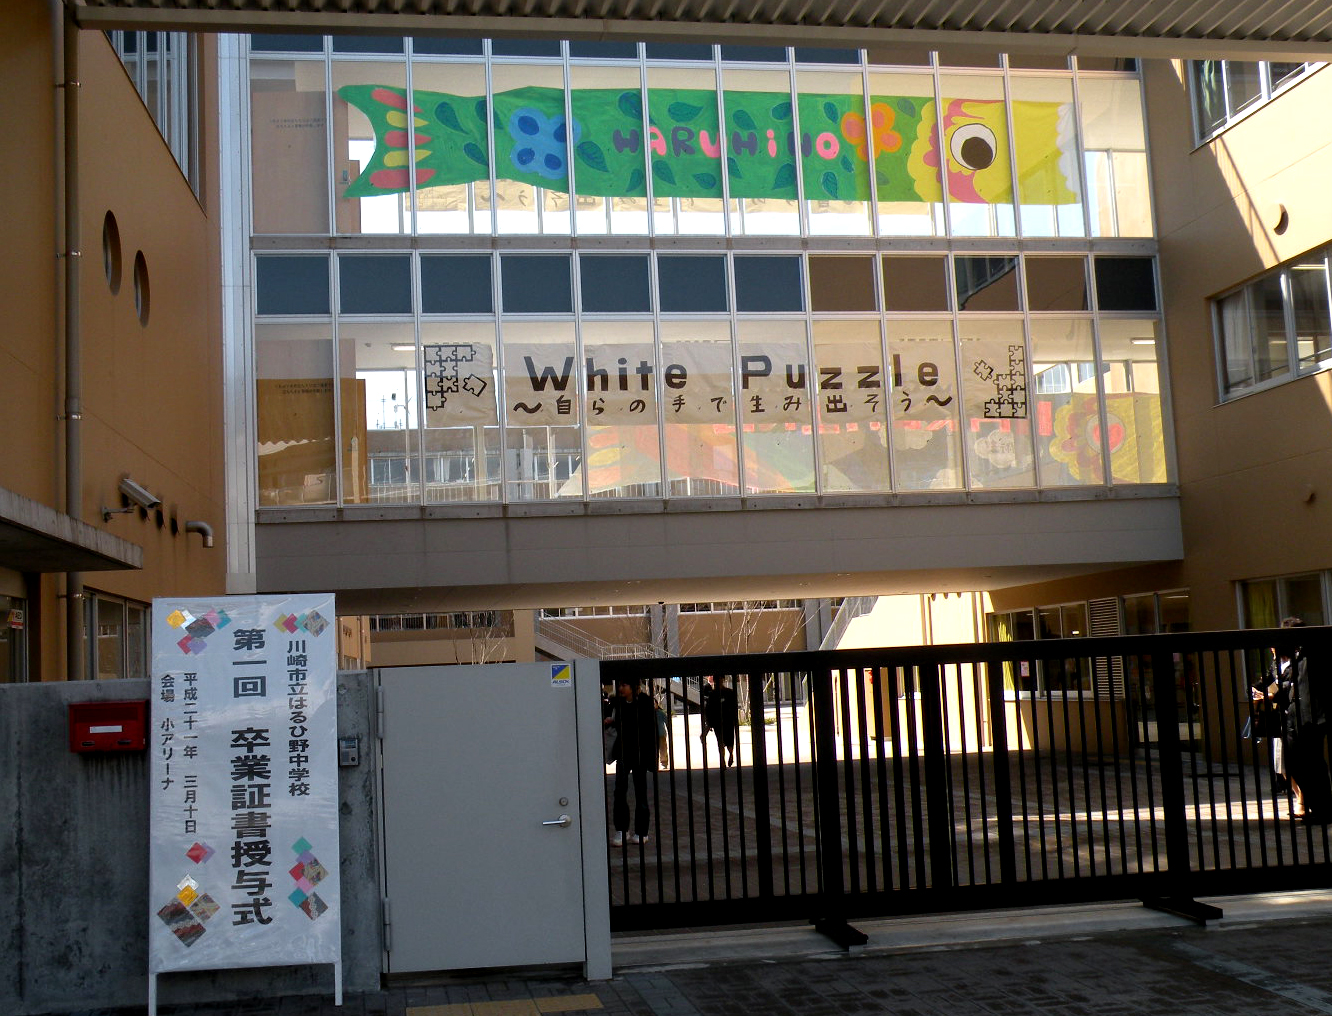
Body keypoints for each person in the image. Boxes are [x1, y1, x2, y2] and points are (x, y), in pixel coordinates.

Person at [1277, 618, 1332, 824]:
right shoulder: (1295, 656)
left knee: (1313, 764)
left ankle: (1323, 809)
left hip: (1311, 716)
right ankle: (1319, 807)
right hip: (1295, 714)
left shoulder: (1314, 652)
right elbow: (1291, 682)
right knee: (1294, 762)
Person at [606, 676, 658, 846]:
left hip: (640, 754)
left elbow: (651, 731)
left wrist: (652, 759)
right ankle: (621, 830)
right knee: (619, 791)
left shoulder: (645, 703)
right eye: (620, 685)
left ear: (634, 686)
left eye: (624, 684)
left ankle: (642, 832)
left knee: (640, 792)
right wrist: (610, 720)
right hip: (623, 753)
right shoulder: (617, 703)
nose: (621, 688)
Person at [700, 674, 739, 767]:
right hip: (725, 721)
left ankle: (725, 758)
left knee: (723, 741)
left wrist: (709, 722)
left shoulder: (713, 694)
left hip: (721, 721)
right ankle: (726, 757)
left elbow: (708, 710)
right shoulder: (728, 692)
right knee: (726, 741)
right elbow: (734, 707)